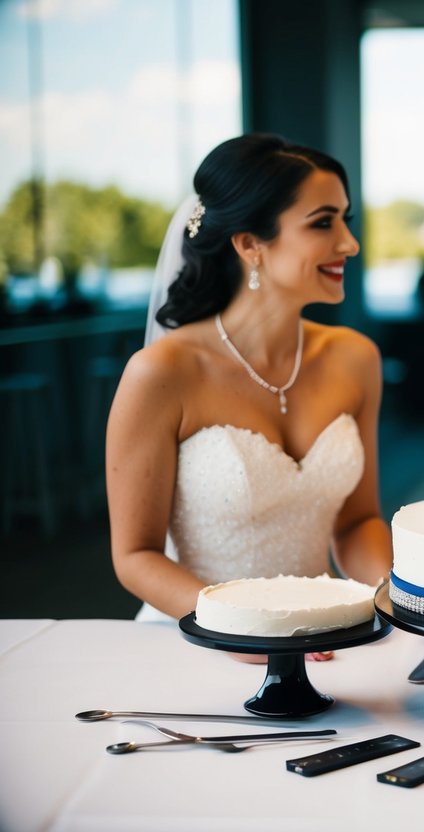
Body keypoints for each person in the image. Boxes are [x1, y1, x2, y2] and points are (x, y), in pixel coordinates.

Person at [106, 134, 392, 655]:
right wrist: (242, 626)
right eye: (323, 222)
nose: (349, 243)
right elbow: (135, 555)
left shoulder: (356, 359)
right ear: (249, 244)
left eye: (346, 220)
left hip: (321, 638)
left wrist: (398, 593)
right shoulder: (161, 374)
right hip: (195, 637)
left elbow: (357, 522)